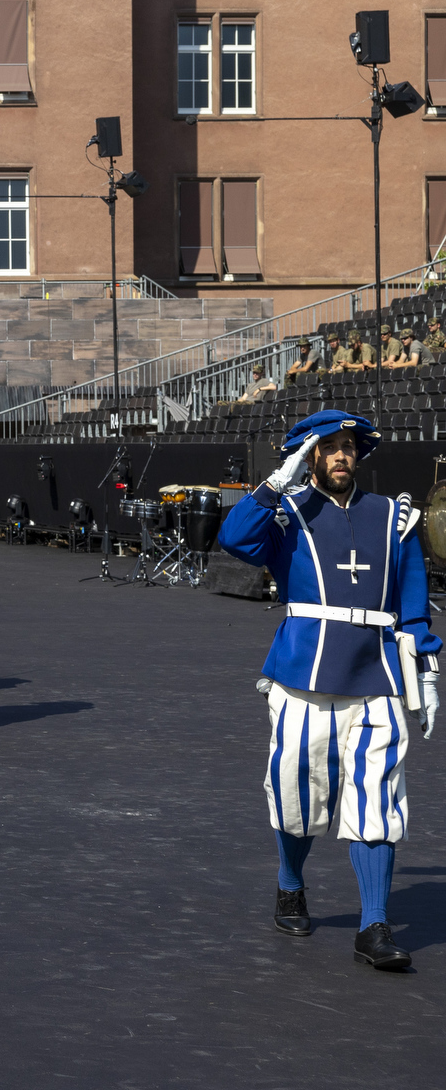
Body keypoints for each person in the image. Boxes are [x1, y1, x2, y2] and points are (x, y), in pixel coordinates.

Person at [217, 410, 440, 970]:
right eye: (330, 447)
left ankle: (374, 926)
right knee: (297, 792)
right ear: (310, 455)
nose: (342, 455)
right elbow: (232, 537)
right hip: (303, 674)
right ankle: (290, 882)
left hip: (377, 674)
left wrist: (429, 667)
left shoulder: (394, 516)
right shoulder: (286, 514)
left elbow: (412, 595)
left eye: (349, 447)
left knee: (378, 797)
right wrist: (275, 482)